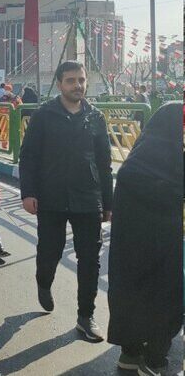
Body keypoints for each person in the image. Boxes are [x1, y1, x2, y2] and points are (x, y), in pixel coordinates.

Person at [19, 61, 113, 343]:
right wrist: (28, 193)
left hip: (88, 198)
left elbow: (105, 163)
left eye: (81, 80)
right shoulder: (44, 116)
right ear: (59, 83)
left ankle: (85, 316)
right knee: (50, 252)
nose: (78, 86)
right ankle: (43, 282)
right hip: (51, 198)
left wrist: (108, 203)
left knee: (90, 261)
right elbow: (29, 157)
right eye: (71, 80)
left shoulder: (95, 117)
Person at [107, 102, 183, 375]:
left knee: (131, 291)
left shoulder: (140, 156)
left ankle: (130, 352)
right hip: (165, 243)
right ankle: (154, 360)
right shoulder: (172, 157)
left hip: (131, 247)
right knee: (166, 293)